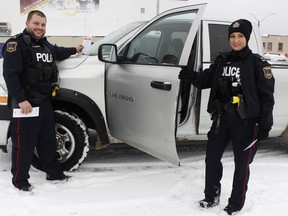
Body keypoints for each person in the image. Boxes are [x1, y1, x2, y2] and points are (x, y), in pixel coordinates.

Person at [179, 19, 274, 215]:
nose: (236, 40)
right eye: (232, 36)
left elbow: (267, 97)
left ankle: (235, 204)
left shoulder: (257, 64)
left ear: (246, 38)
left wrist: (265, 124)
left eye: (240, 36)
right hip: (222, 119)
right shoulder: (222, 60)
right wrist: (191, 76)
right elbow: (205, 80)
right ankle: (211, 197)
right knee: (212, 159)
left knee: (242, 164)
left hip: (246, 122)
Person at [2, 10, 84, 192]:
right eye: (36, 23)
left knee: (47, 141)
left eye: (43, 24)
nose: (40, 27)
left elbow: (59, 51)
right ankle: (20, 181)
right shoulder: (16, 45)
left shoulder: (45, 45)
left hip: (44, 103)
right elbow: (10, 75)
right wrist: (21, 100)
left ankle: (54, 174)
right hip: (27, 105)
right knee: (24, 145)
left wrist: (75, 49)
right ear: (27, 23)